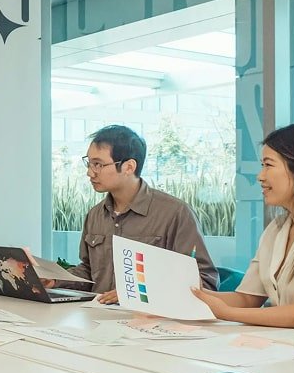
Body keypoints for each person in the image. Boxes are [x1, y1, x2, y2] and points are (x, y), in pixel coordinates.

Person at [51, 124, 218, 302]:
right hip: (96, 312)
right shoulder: (95, 215)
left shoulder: (175, 213)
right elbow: (88, 271)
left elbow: (204, 281)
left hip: (148, 316)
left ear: (129, 167)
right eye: (89, 163)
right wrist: (55, 280)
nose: (90, 172)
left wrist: (138, 293)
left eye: (98, 164)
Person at [191, 124, 294, 328]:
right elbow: (248, 298)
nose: (260, 176)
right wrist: (195, 293)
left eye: (268, 165)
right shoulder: (276, 229)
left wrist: (228, 314)